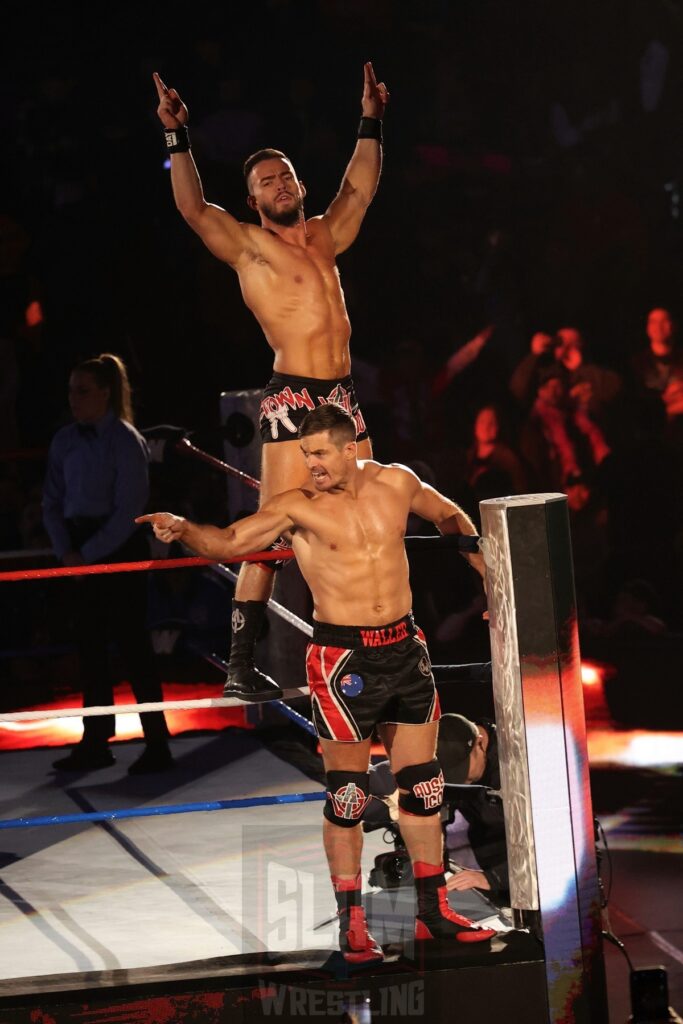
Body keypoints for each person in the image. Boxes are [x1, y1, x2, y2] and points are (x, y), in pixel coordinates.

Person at [138, 404, 496, 960]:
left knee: (424, 785)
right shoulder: (296, 507)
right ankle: (352, 924)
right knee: (348, 796)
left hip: (405, 649)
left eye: (320, 454)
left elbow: (450, 515)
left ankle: (432, 912)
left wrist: (487, 576)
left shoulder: (397, 483)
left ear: (351, 449)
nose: (311, 466)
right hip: (343, 660)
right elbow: (231, 543)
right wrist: (182, 529)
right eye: (305, 456)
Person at [153, 63, 388, 704]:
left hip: (342, 396)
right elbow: (193, 207)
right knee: (270, 527)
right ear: (253, 201)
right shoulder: (251, 247)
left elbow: (360, 188)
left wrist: (371, 119)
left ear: (300, 184)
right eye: (265, 182)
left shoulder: (325, 238)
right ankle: (238, 659)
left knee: (366, 512)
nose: (279, 185)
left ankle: (368, 635)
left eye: (285, 175)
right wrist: (177, 137)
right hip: (295, 396)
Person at [42, 354, 172, 774]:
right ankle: (96, 740)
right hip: (78, 547)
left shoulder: (125, 439)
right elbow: (51, 501)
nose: (74, 399)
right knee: (89, 647)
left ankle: (157, 744)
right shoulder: (64, 440)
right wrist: (66, 553)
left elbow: (130, 509)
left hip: (117, 547)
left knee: (134, 647)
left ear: (104, 393)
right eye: (70, 390)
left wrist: (87, 555)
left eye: (82, 390)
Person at [364, 713, 508, 899]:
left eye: (462, 772)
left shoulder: (518, 770)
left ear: (480, 743)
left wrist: (494, 878)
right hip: (488, 854)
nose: (462, 781)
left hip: (532, 871)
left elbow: (552, 844)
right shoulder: (441, 742)